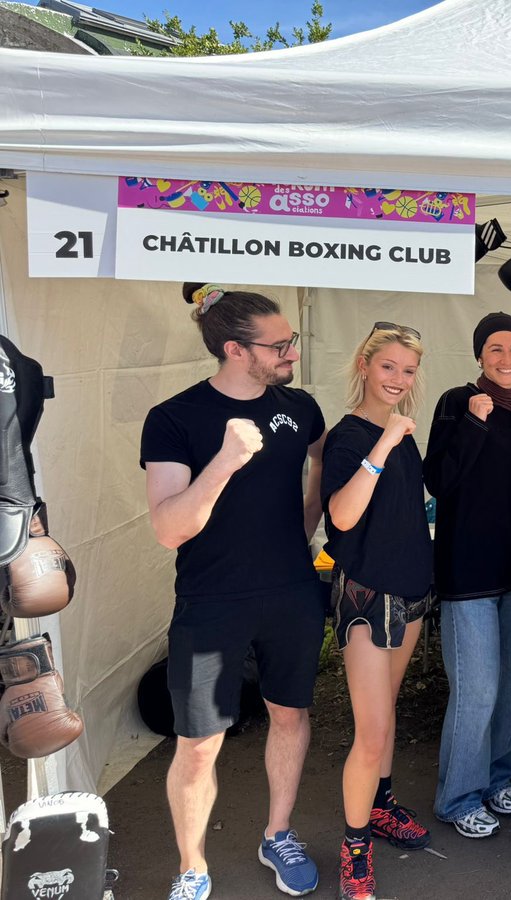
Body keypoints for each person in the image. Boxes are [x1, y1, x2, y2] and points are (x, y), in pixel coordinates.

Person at [141, 283, 326, 900]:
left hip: (292, 592)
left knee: (289, 714)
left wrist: (305, 525)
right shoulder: (173, 418)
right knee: (198, 744)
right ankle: (192, 867)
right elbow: (169, 528)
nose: (290, 354)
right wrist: (223, 462)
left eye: (290, 342)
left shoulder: (299, 408)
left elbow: (320, 464)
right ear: (234, 350)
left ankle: (279, 832)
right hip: (211, 601)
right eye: (279, 345)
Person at [321, 323, 434, 900]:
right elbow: (341, 517)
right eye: (388, 366)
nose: (398, 379)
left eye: (408, 370)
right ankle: (355, 846)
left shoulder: (404, 432)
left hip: (411, 594)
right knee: (371, 733)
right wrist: (384, 443)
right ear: (364, 366)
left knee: (386, 715)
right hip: (367, 599)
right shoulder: (349, 435)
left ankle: (382, 804)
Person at [424, 312, 511, 840]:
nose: (506, 359)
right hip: (466, 572)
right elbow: (438, 481)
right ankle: (458, 796)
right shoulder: (456, 401)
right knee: (476, 689)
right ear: (479, 355)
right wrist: (474, 423)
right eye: (495, 349)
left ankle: (498, 778)